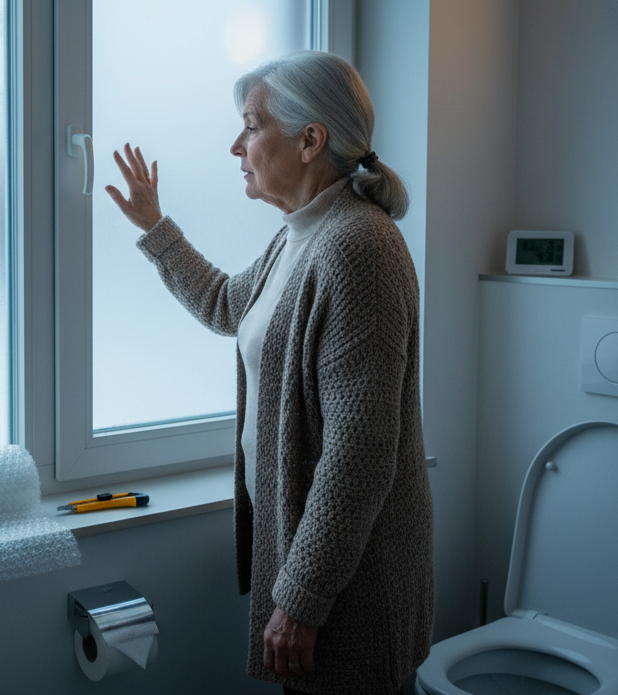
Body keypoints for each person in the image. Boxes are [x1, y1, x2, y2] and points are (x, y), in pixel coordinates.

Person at [106, 50, 434, 694]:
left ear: (311, 140)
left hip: (353, 582)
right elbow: (229, 305)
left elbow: (360, 452)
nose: (237, 144)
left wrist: (304, 597)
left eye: (251, 125)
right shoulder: (301, 234)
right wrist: (155, 226)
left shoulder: (356, 246)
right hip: (318, 556)